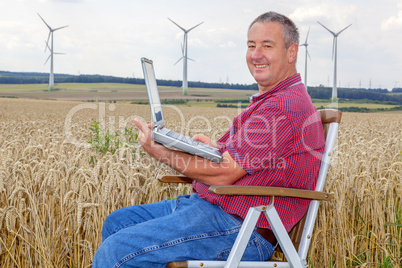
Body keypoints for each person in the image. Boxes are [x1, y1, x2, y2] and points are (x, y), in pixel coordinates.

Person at [92, 11, 325, 267]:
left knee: (115, 251)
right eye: (251, 45)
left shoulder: (284, 107)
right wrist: (215, 149)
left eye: (267, 46)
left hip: (241, 228)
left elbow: (225, 174)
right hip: (211, 209)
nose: (256, 54)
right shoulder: (274, 100)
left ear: (291, 52)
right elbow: (249, 159)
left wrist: (162, 152)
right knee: (117, 223)